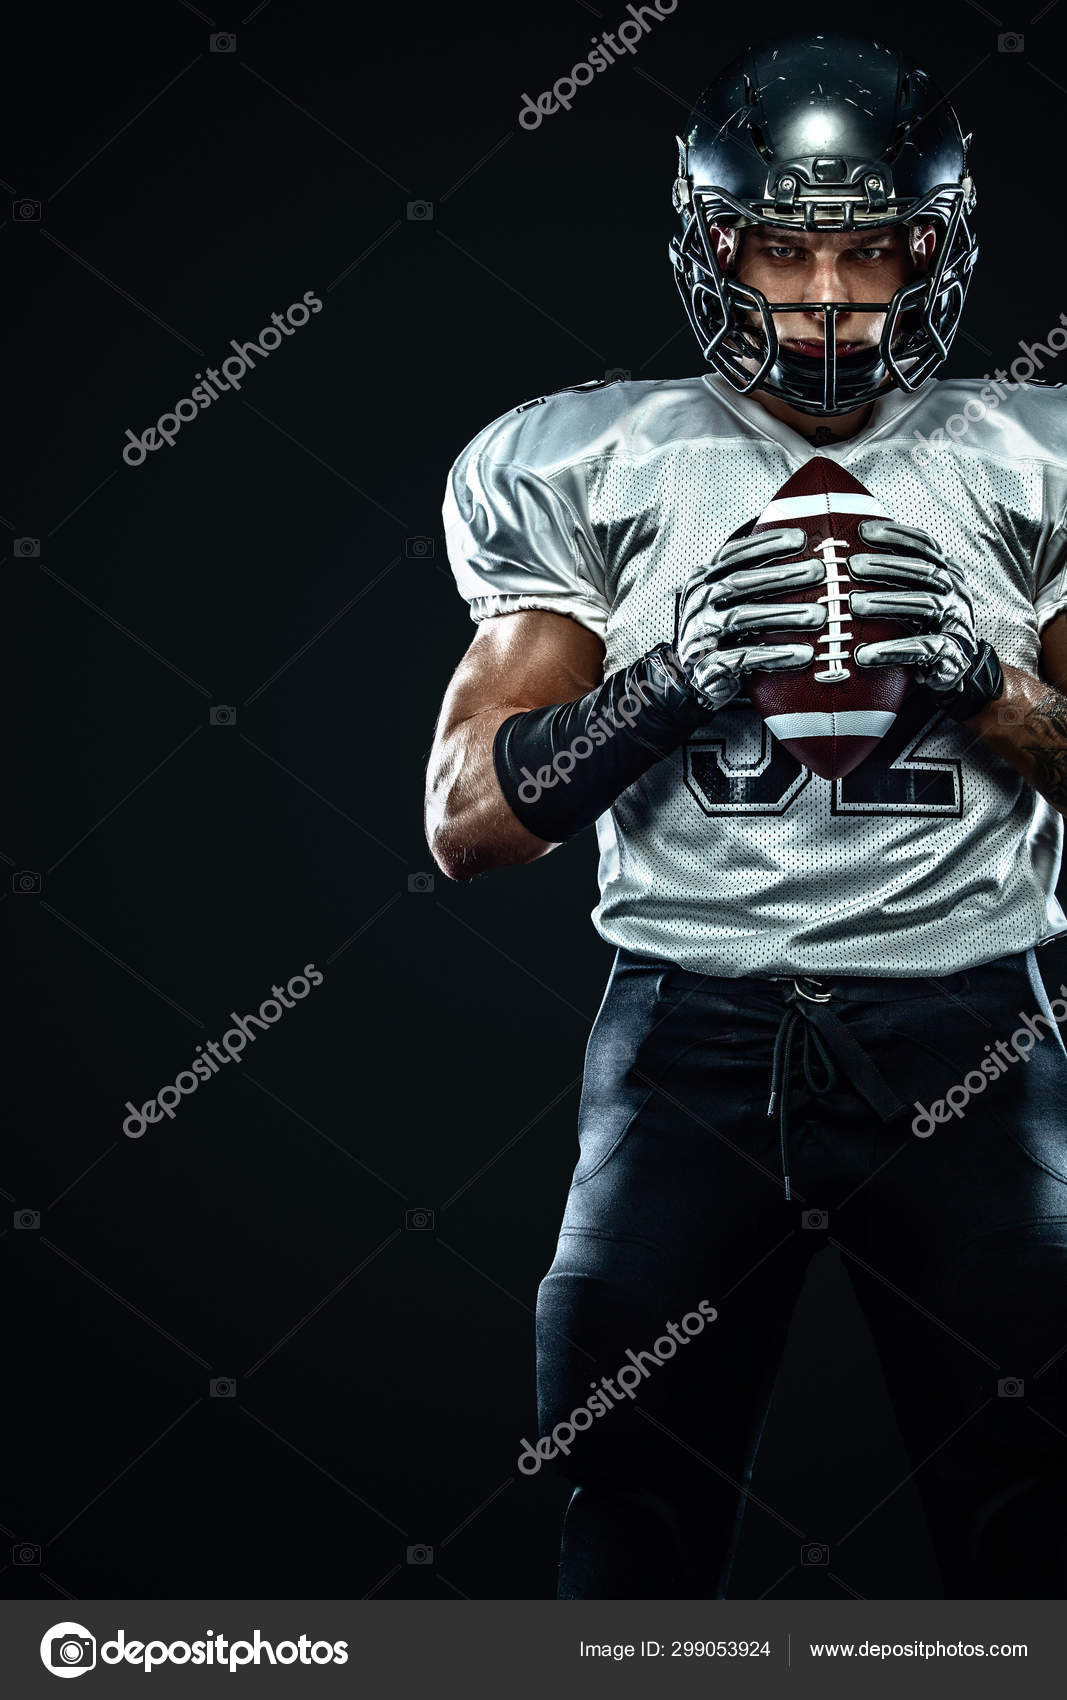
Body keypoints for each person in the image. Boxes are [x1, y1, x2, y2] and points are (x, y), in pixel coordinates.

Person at [424, 32, 1067, 1599]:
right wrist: (668, 680)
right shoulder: (592, 459)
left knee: (1039, 1506)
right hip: (685, 1034)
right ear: (717, 245)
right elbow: (467, 818)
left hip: (976, 1025)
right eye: (785, 249)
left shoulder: (1036, 458)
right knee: (630, 1505)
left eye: (870, 249)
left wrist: (983, 682)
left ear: (940, 246)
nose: (830, 297)